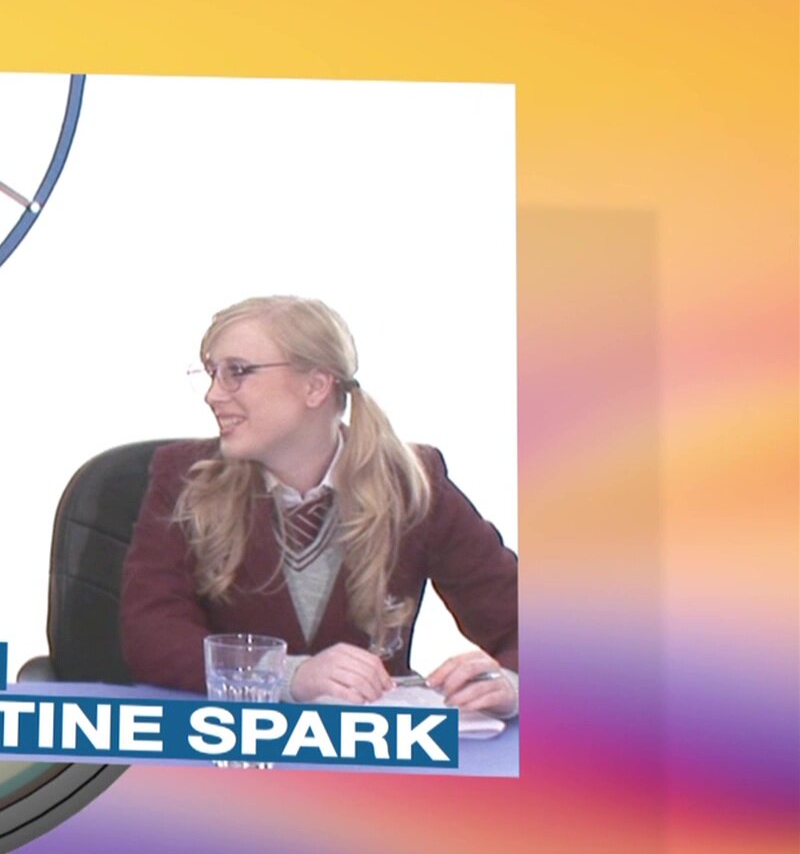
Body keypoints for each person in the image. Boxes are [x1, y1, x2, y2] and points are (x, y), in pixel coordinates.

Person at [119, 296, 518, 717]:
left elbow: (529, 625)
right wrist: (285, 674)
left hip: (368, 749)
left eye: (237, 372)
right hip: (231, 743)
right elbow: (150, 635)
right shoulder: (184, 476)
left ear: (315, 386)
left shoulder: (412, 482)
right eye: (212, 373)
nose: (212, 394)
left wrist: (512, 683)